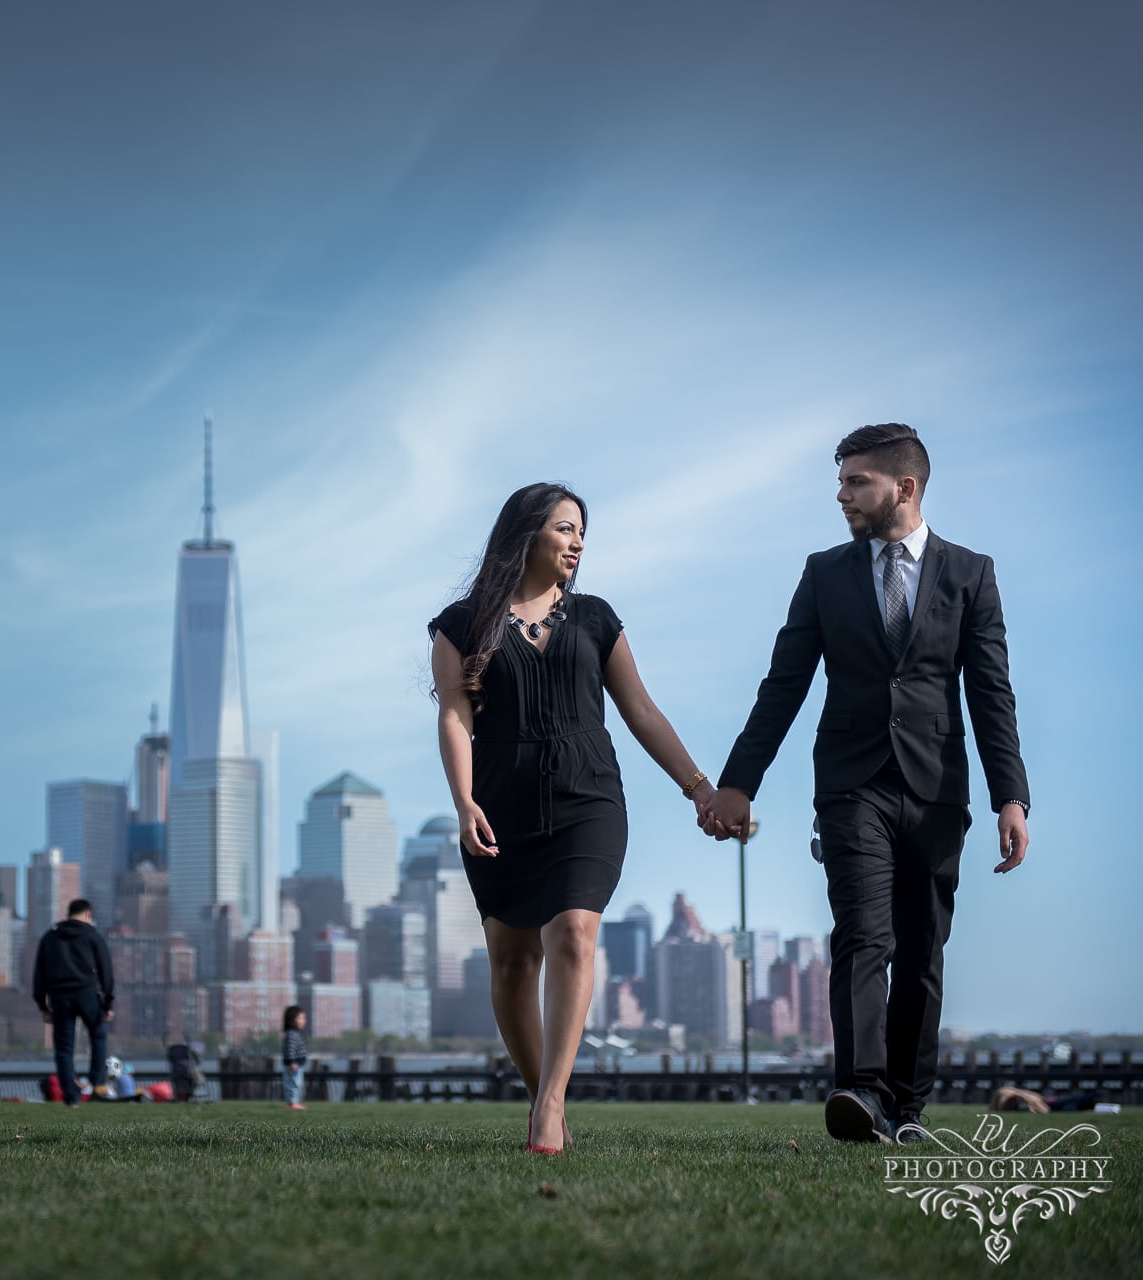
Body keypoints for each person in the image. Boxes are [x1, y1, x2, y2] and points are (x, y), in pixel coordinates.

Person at [703, 425, 1031, 1146]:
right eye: (841, 479)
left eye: (855, 481)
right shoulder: (824, 573)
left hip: (938, 785)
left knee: (920, 948)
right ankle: (859, 1093)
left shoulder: (969, 573)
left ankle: (907, 1111)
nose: (841, 494)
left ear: (903, 488)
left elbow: (990, 692)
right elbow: (783, 683)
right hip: (851, 784)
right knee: (862, 935)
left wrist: (1011, 795)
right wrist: (737, 783)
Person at [431, 482, 715, 1155]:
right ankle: (542, 1097)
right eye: (564, 528)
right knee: (509, 960)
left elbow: (640, 710)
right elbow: (451, 712)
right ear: (525, 534)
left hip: (588, 799)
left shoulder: (594, 618)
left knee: (573, 934)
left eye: (581, 531)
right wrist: (463, 800)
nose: (577, 542)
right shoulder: (460, 623)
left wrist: (697, 787)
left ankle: (549, 1108)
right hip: (498, 803)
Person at [31, 897, 115, 1108]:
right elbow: (106, 970)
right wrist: (108, 1003)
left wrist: (42, 1004)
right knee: (98, 1036)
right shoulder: (92, 935)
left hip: (59, 997)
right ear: (88, 914)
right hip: (87, 993)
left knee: (63, 1048)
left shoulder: (50, 937)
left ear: (69, 913)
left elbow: (39, 974)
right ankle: (97, 1084)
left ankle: (71, 1096)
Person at [281, 1006, 308, 1111]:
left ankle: (292, 1102)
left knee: (295, 1084)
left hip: (297, 1064)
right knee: (294, 1084)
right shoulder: (292, 1034)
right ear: (292, 1020)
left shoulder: (294, 1033)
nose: (303, 1021)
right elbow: (290, 1049)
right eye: (300, 1018)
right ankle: (292, 1103)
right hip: (294, 1065)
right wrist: (292, 1062)